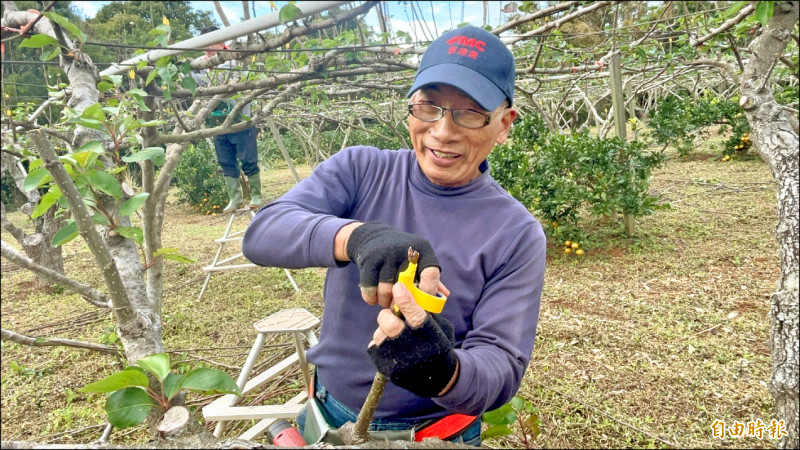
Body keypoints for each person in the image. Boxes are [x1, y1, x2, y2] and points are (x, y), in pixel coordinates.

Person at [242, 25, 545, 446]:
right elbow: (264, 231)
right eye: (429, 107)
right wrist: (355, 237)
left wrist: (443, 372)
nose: (443, 131)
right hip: (331, 411)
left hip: (438, 434)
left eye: (470, 112)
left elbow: (502, 363)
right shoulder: (361, 170)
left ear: (504, 124)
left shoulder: (515, 232)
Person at [193, 26, 262, 212]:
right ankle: (235, 198)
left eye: (211, 43)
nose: (207, 48)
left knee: (248, 159)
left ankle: (256, 195)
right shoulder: (199, 64)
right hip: (217, 122)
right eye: (204, 45)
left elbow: (243, 81)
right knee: (225, 161)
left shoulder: (234, 59)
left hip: (239, 119)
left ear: (222, 42)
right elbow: (194, 83)